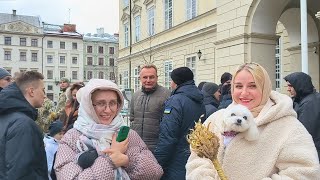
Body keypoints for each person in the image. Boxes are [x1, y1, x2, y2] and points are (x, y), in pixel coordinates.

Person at [186, 62, 320, 179]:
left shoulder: (288, 126)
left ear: (264, 87)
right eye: (238, 86)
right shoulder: (217, 119)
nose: (244, 93)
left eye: (252, 86)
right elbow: (197, 159)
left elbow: (305, 173)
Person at [54, 79, 163, 179]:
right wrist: (110, 161)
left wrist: (127, 161)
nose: (108, 110)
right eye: (101, 103)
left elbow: (156, 172)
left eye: (112, 103)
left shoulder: (127, 134)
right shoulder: (73, 138)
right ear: (88, 106)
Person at [154, 67, 206, 180]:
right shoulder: (199, 100)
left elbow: (168, 136)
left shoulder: (175, 101)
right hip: (193, 157)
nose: (171, 84)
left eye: (172, 80)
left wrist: (157, 163)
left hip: (175, 160)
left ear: (176, 82)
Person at [0, 71, 48, 179]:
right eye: (43, 90)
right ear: (31, 91)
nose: (45, 95)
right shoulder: (24, 124)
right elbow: (22, 173)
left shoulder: (7, 117)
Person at [130, 64, 171, 153]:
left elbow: (170, 124)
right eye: (145, 77)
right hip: (136, 147)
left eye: (151, 77)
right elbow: (132, 119)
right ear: (140, 78)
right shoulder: (135, 95)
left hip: (157, 148)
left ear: (156, 78)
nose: (148, 80)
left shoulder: (167, 95)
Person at [284, 72, 320, 160]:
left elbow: (304, 132)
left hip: (311, 154)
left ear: (299, 86)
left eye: (290, 86)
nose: (288, 89)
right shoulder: (301, 100)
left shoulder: (310, 103)